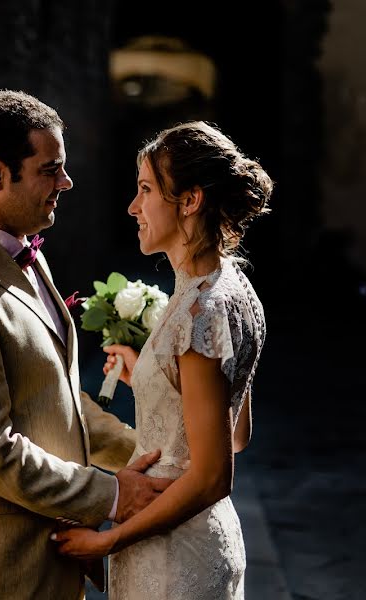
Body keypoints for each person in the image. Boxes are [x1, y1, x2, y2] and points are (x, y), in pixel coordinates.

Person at [0, 89, 172, 599]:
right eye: (50, 170)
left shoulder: (26, 252)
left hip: (54, 558)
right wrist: (114, 495)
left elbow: (57, 399)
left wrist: (156, 458)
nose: (66, 183)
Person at [51, 121, 272, 599]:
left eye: (146, 190)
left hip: (173, 556)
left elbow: (214, 476)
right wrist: (149, 380)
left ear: (189, 201)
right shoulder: (234, 290)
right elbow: (236, 432)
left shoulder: (198, 311)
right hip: (203, 543)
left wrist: (107, 539)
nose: (133, 207)